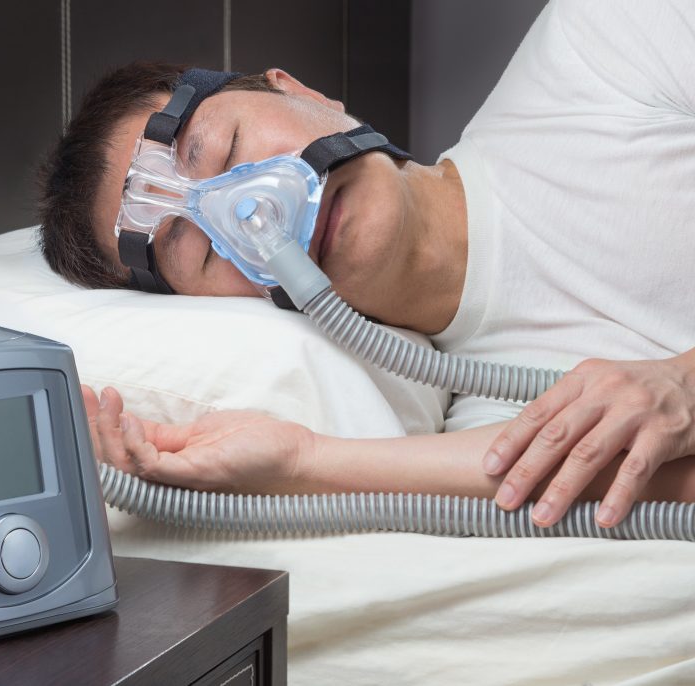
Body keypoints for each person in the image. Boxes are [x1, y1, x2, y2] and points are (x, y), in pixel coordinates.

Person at [37, 0, 695, 528]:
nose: (255, 207)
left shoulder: (605, 50)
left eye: (230, 147)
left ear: (300, 92)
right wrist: (300, 462)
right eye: (204, 248)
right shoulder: (496, 425)